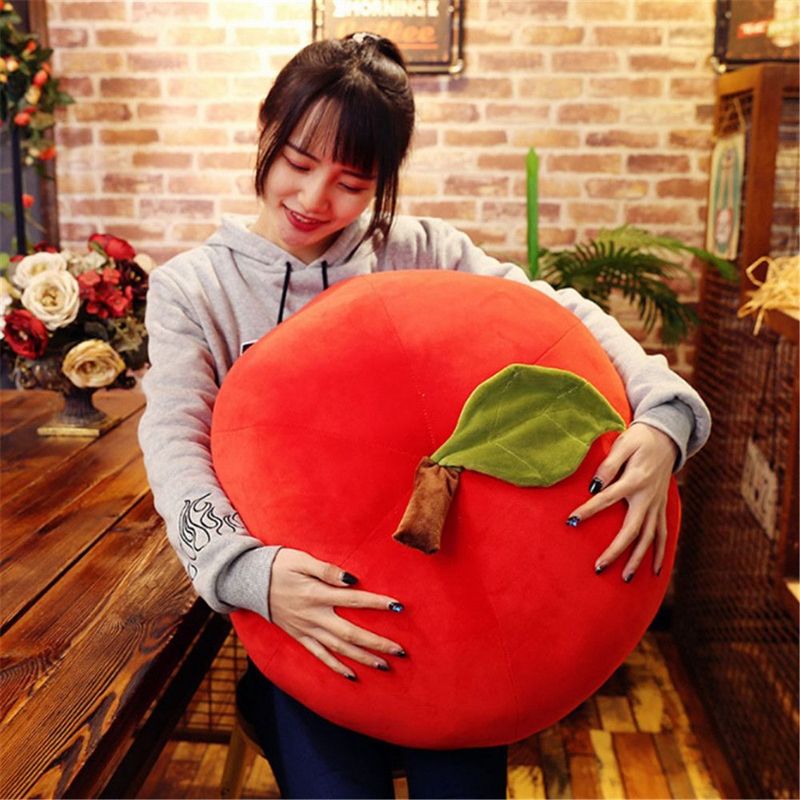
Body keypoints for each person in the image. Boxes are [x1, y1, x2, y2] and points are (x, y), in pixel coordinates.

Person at [139, 33, 711, 799]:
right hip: (305, 620)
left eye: (352, 182)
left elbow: (557, 316)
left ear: (384, 181)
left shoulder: (420, 250)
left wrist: (663, 416)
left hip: (450, 628)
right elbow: (173, 439)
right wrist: (245, 572)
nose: (314, 199)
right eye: (298, 163)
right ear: (265, 129)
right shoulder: (195, 289)